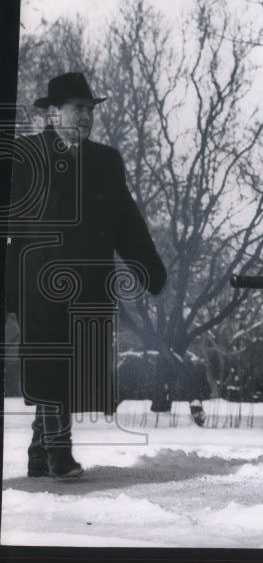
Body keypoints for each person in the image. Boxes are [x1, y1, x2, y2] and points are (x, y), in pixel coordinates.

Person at [5, 72, 167, 479]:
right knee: (52, 363)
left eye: (91, 110)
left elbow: (127, 221)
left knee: (74, 369)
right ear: (53, 113)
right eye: (79, 108)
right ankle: (60, 451)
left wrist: (148, 269)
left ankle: (40, 449)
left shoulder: (106, 161)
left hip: (92, 285)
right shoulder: (23, 157)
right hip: (37, 285)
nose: (87, 117)